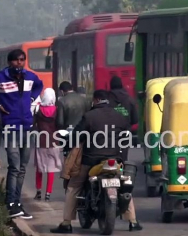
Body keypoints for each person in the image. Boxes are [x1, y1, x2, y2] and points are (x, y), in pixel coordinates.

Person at [50, 90, 142, 233]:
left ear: (96, 100)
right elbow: (128, 134)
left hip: (90, 160)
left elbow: (76, 136)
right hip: (114, 159)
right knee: (123, 187)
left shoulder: (89, 117)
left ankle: (66, 223)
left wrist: (67, 145)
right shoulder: (119, 117)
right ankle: (133, 221)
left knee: (73, 187)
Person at [0, 49, 44, 219]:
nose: (19, 63)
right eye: (16, 60)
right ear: (9, 62)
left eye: (22, 60)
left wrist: (31, 98)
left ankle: (17, 202)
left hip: (26, 126)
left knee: (22, 168)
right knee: (14, 166)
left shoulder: (30, 76)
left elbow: (39, 85)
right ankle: (10, 203)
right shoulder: (0, 78)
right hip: (10, 127)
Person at [33, 88, 62, 202]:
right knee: (51, 168)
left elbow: (33, 124)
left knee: (39, 168)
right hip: (54, 142)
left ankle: (38, 192)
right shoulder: (57, 110)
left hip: (41, 141)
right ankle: (48, 194)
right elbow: (59, 124)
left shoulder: (38, 109)